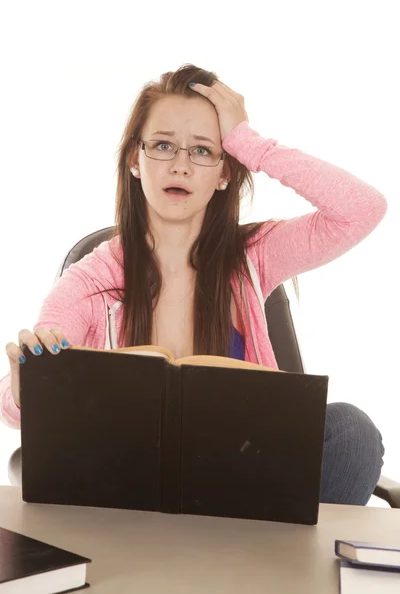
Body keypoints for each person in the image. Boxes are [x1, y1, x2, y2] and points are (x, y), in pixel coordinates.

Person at [0, 63, 387, 505]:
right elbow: (14, 407)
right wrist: (30, 387)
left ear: (225, 172)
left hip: (246, 483)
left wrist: (249, 143)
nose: (181, 166)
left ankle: (269, 569)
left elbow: (362, 209)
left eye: (202, 151)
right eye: (163, 146)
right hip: (133, 491)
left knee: (351, 431)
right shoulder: (89, 282)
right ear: (135, 159)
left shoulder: (255, 255)